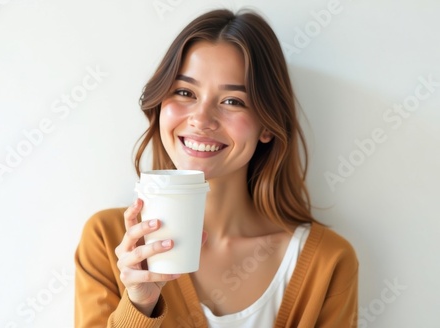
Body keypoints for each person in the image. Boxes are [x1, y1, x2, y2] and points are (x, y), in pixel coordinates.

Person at [75, 8, 358, 328]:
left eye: (232, 101)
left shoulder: (328, 261)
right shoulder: (106, 239)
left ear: (267, 125)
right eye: (185, 92)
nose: (201, 119)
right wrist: (141, 304)